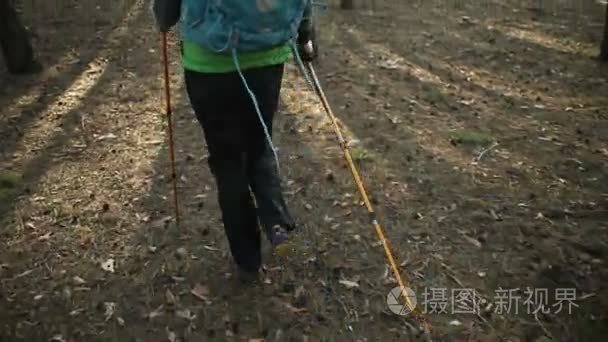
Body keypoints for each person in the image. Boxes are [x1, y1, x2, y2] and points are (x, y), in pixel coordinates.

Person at [152, 0, 317, 281]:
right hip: (267, 55)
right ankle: (275, 219)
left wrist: (163, 18)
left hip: (208, 62)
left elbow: (166, 15)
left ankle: (248, 259)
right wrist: (305, 33)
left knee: (227, 161)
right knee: (258, 143)